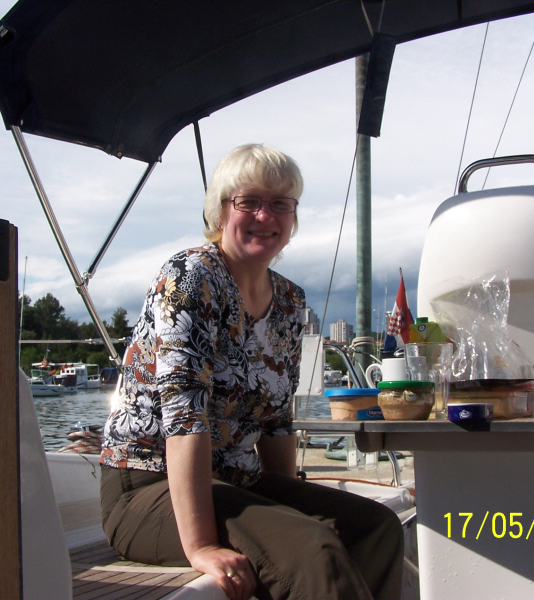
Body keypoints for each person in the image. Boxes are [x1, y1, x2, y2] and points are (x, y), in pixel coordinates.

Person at [100, 143, 403, 600]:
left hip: (236, 482)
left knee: (375, 527)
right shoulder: (191, 277)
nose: (265, 216)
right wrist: (202, 546)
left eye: (280, 203)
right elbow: (184, 418)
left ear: (293, 217)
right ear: (221, 210)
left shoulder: (289, 302)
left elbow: (276, 421)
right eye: (249, 202)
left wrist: (288, 497)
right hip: (148, 488)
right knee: (312, 550)